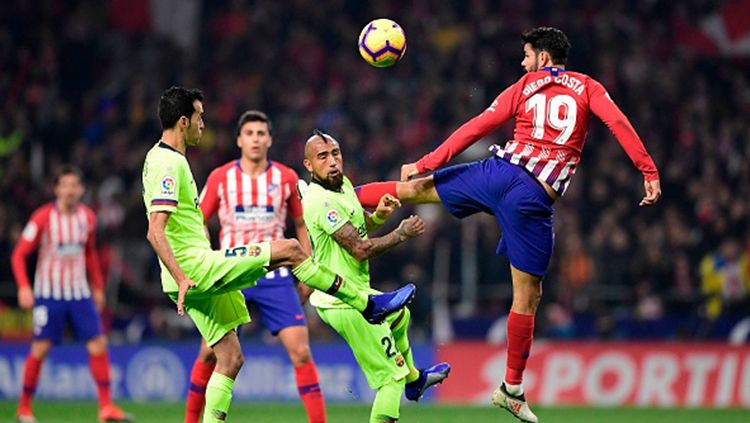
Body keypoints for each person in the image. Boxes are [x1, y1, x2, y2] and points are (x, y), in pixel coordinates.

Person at [355, 27, 662, 422]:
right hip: (532, 197)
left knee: (411, 190)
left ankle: (340, 195)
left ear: (543, 59)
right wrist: (647, 170)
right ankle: (511, 388)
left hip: (497, 173)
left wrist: (428, 161)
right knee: (528, 296)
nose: (523, 62)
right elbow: (618, 123)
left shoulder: (526, 86)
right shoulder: (589, 88)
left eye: (527, 55)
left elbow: (479, 125)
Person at [142, 87, 415, 423]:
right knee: (290, 249)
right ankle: (368, 303)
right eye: (199, 116)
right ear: (184, 121)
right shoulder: (176, 165)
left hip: (213, 272)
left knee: (230, 358)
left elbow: (194, 222)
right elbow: (156, 230)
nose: (204, 123)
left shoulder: (166, 158)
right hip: (197, 268)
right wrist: (184, 275)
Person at [299, 130, 451, 423]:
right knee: (389, 379)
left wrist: (379, 216)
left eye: (335, 153)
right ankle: (406, 380)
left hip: (358, 292)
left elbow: (355, 229)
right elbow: (358, 248)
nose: (332, 162)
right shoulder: (319, 201)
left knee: (399, 316)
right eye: (322, 157)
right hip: (342, 300)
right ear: (308, 165)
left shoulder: (342, 185)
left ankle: (415, 380)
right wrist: (400, 233)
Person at [184, 110, 325, 423]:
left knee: (301, 351)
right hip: (231, 276)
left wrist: (307, 269)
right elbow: (198, 221)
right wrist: (207, 259)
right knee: (209, 352)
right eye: (250, 133)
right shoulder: (221, 177)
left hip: (274, 276)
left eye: (261, 133)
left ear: (270, 139)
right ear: (239, 140)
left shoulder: (286, 177)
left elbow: (302, 226)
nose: (256, 139)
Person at [11, 165, 133, 423]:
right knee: (40, 348)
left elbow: (89, 253)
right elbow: (19, 255)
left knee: (98, 344)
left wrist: (97, 287)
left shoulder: (87, 218)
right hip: (49, 294)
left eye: (74, 185)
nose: (70, 190)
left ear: (82, 189)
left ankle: (106, 408)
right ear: (56, 189)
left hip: (79, 294)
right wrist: (23, 286)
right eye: (64, 185)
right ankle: (23, 409)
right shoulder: (42, 218)